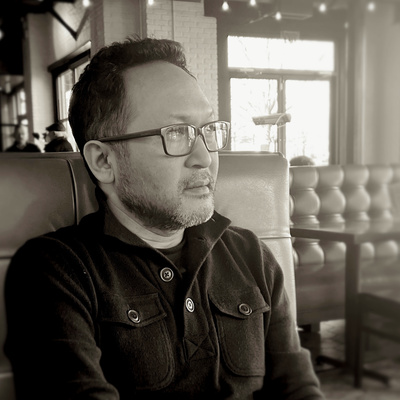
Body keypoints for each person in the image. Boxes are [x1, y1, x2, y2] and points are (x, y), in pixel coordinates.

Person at [4, 37, 325, 399]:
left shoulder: (251, 255)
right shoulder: (56, 272)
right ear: (104, 161)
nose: (205, 158)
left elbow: (298, 389)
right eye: (176, 133)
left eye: (208, 129)